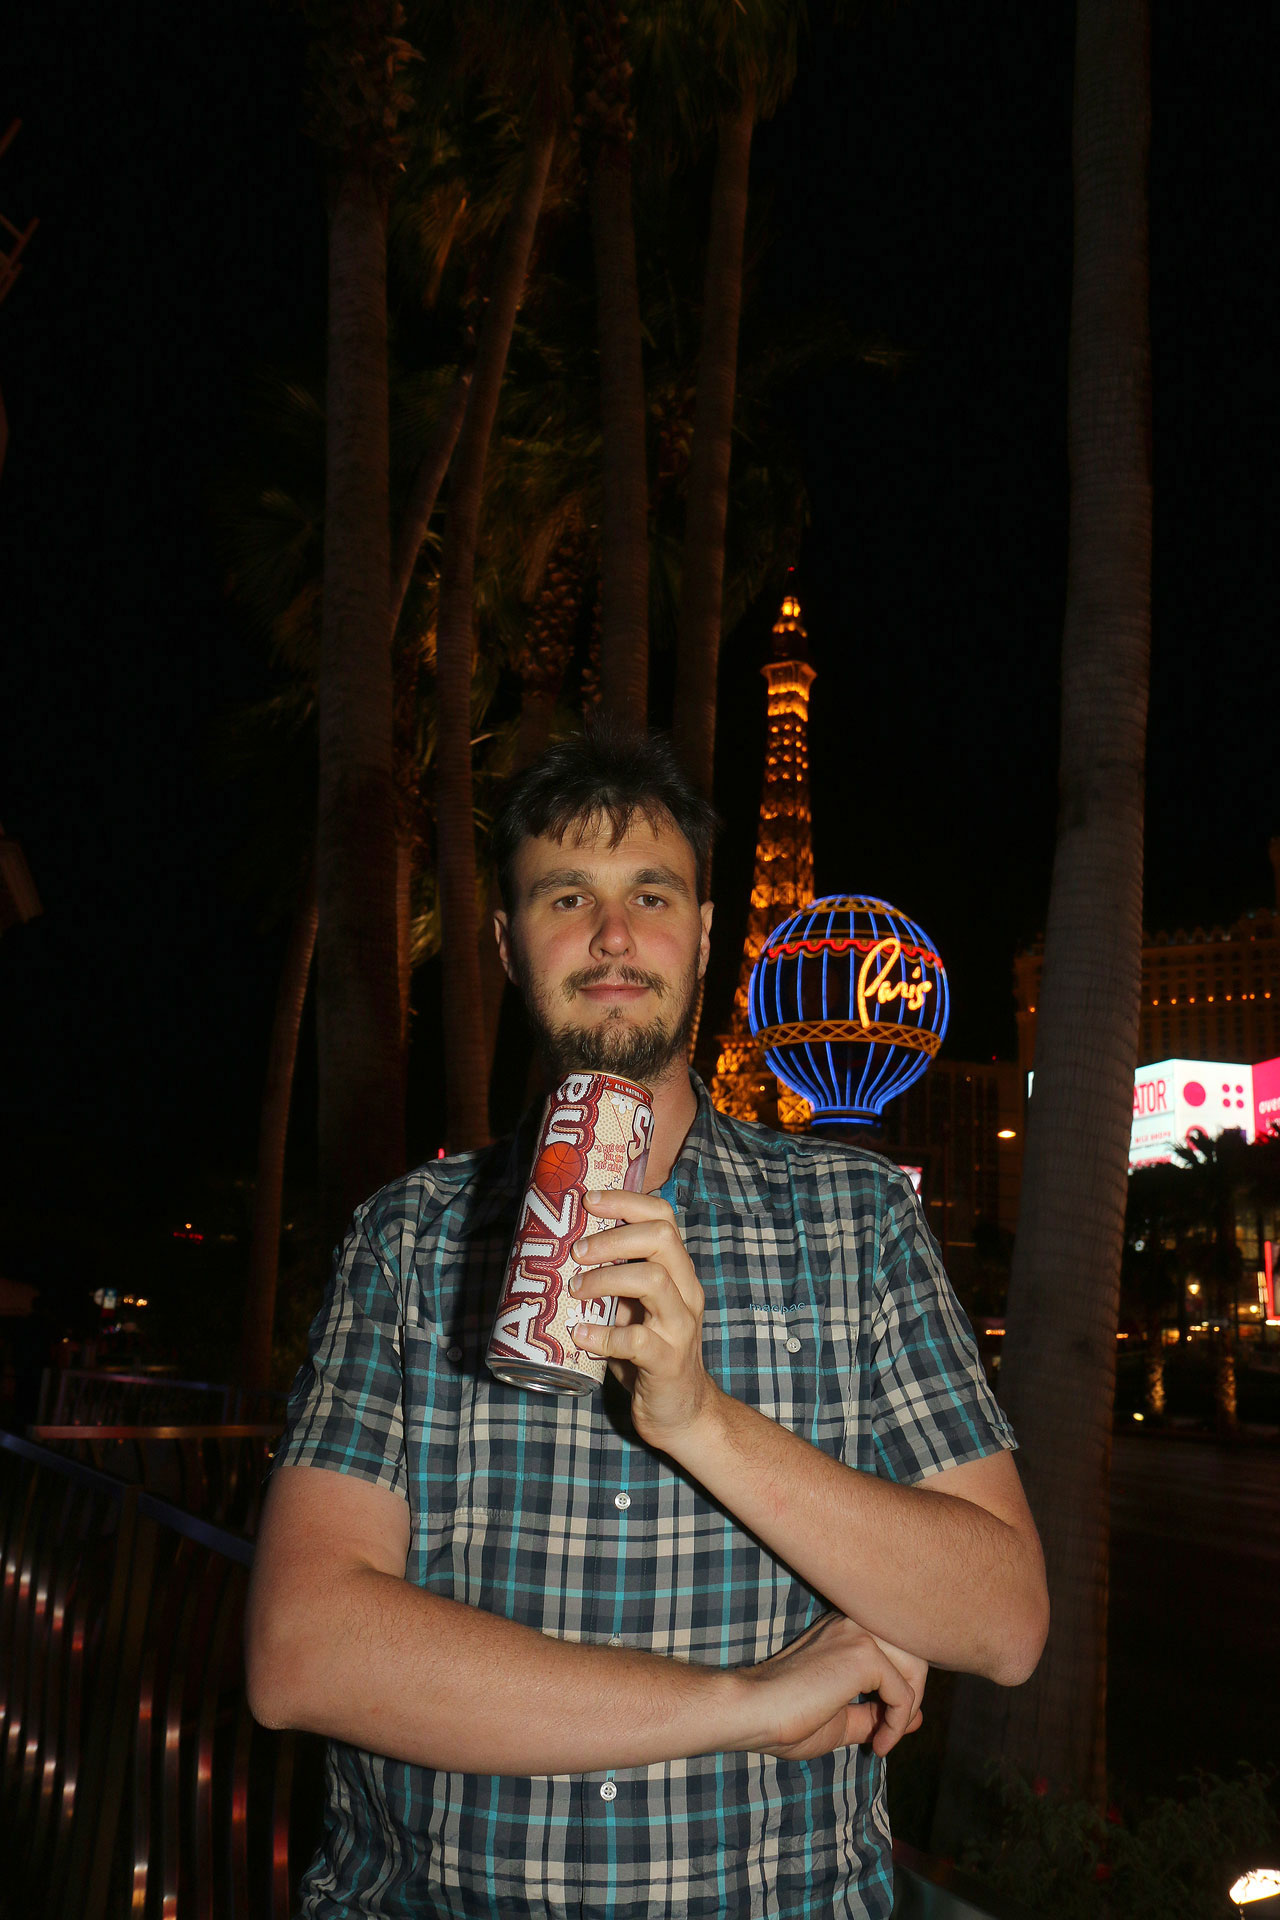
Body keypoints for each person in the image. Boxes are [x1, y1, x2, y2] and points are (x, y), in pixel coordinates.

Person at [246, 726, 1049, 1920]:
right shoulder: (407, 1238)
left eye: (650, 895)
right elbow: (300, 1652)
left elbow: (1001, 1621)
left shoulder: (856, 1220)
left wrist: (701, 1420)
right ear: (507, 947)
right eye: (565, 896)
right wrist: (745, 1699)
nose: (612, 936)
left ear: (708, 939)